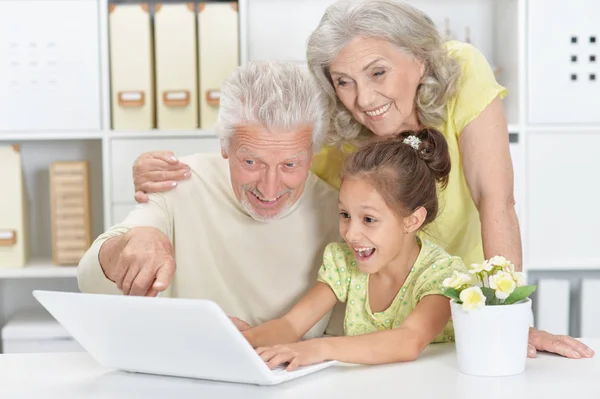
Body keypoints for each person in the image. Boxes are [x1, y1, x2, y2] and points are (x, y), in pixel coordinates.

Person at [128, 0, 594, 360]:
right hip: (372, 331)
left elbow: (497, 201)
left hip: (468, 303)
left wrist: (504, 321)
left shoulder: (462, 72)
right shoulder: (333, 136)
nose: (363, 99)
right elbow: (267, 159)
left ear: (420, 60)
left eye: (377, 73)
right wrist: (172, 172)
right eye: (343, 81)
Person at [77, 60, 341, 338]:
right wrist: (131, 243)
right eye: (251, 162)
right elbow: (89, 281)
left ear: (312, 155)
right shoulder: (178, 181)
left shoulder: (340, 215)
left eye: (290, 165)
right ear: (225, 146)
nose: (270, 188)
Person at [243, 128, 469, 370]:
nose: (351, 234)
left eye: (369, 219)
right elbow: (291, 325)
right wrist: (243, 340)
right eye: (345, 214)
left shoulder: (443, 275)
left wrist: (320, 348)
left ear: (412, 221)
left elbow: (409, 340)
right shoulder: (344, 262)